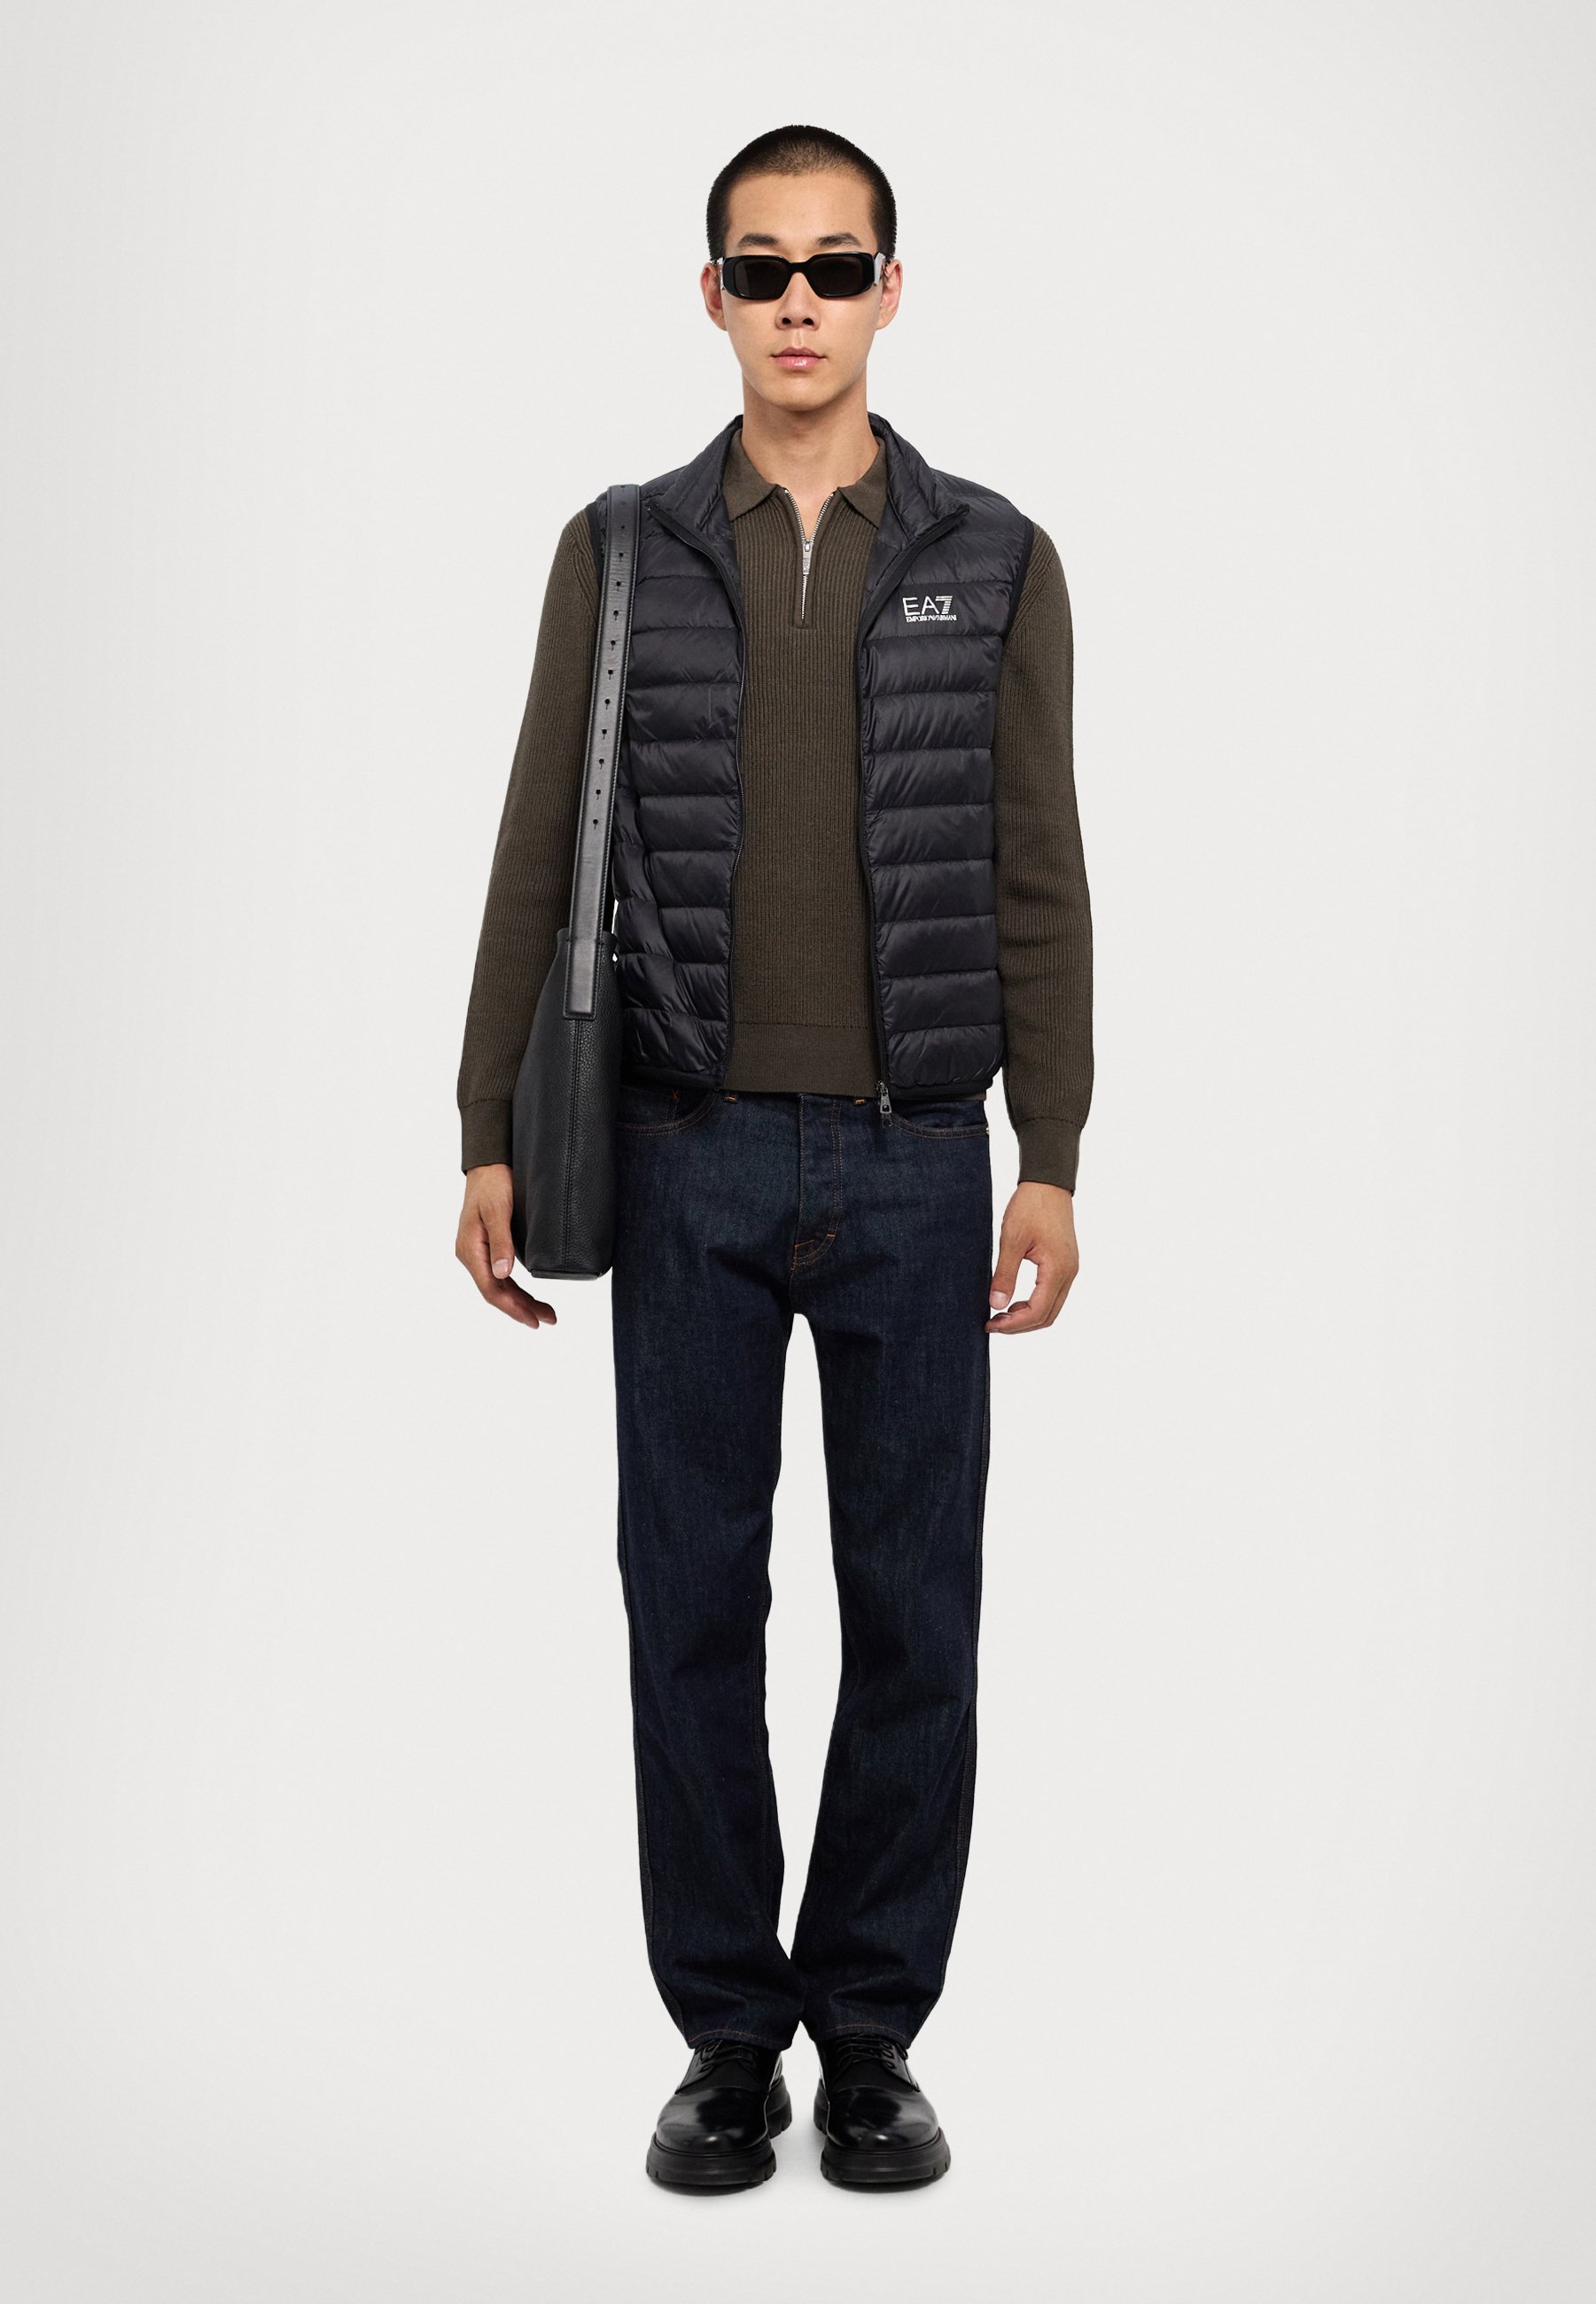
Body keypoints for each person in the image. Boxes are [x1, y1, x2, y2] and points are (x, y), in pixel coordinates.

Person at [454, 123, 1093, 2192]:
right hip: (682, 1154)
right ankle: (728, 2037)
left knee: (916, 1615)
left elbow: (1035, 866)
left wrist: (1052, 1149)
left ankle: (873, 2034)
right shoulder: (622, 550)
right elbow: (537, 842)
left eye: (834, 266)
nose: (797, 302)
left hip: (920, 1165)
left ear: (892, 290)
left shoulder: (995, 554)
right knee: (687, 1610)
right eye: (760, 267)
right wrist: (484, 1123)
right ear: (712, 294)